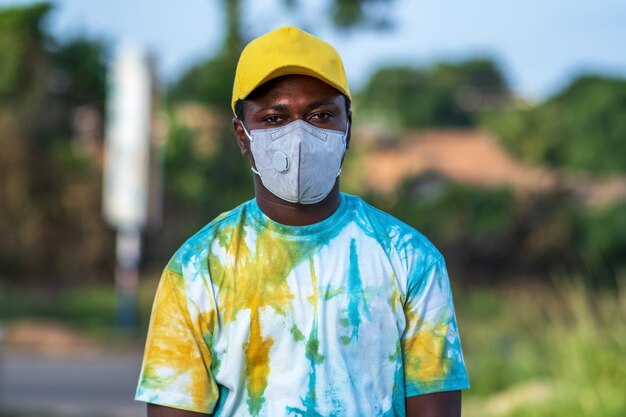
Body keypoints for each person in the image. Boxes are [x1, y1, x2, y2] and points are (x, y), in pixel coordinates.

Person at [135, 26, 469, 417]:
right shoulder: (198, 269)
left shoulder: (409, 259)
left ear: (348, 129)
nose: (299, 134)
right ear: (243, 137)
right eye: (275, 118)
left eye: (321, 115)